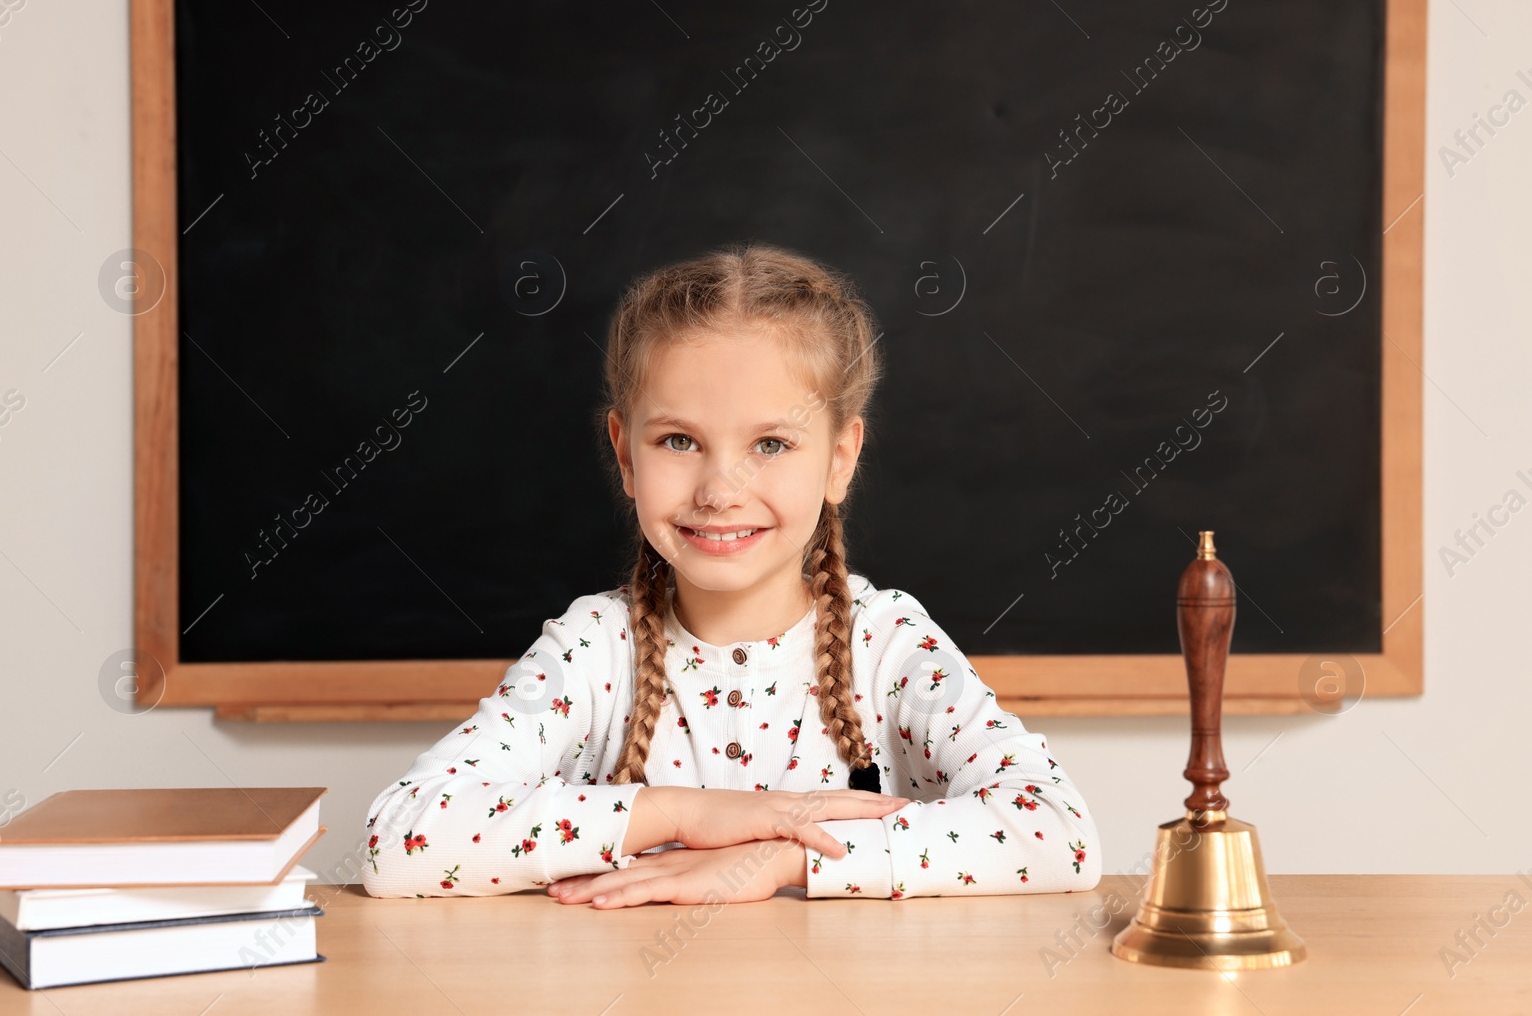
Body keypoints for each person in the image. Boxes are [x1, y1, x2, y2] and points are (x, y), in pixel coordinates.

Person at [359, 242, 1101, 905]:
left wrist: (779, 858)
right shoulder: (595, 647)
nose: (719, 489)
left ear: (841, 457)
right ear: (623, 453)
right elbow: (397, 840)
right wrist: (690, 813)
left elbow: (1060, 832)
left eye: (772, 443)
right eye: (679, 439)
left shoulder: (888, 643)